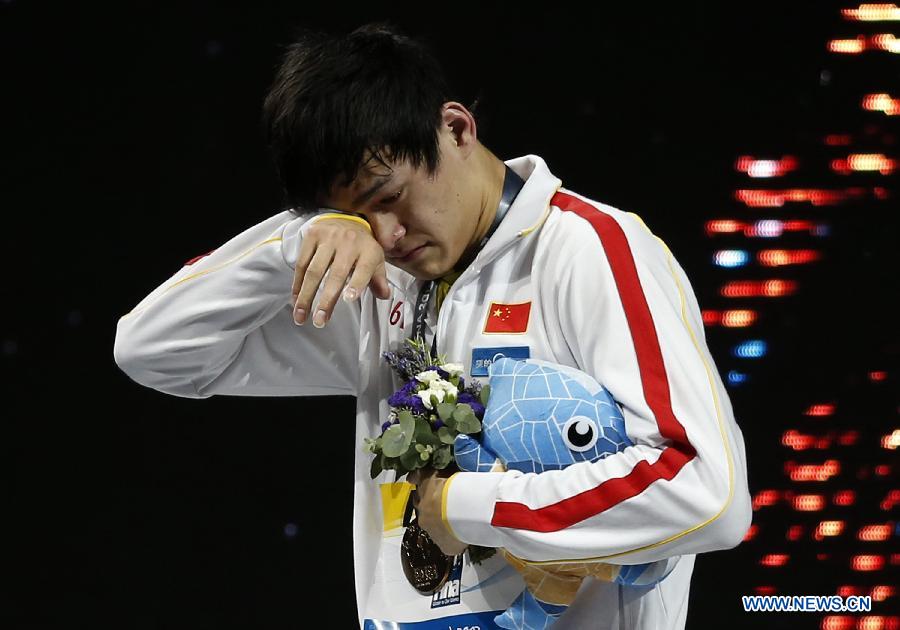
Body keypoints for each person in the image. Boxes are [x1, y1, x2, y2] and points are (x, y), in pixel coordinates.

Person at [114, 21, 752, 629]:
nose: (385, 236)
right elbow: (153, 350)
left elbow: (707, 491)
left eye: (387, 197)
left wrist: (464, 507)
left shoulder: (587, 251)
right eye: (358, 220)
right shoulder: (375, 288)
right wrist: (298, 242)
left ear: (455, 127)